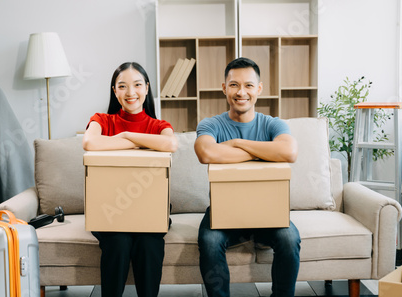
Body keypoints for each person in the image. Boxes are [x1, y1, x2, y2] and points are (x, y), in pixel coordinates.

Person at [194, 57, 300, 297]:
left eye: (249, 85)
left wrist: (237, 144)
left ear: (259, 89)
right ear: (224, 88)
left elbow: (289, 152)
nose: (241, 92)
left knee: (289, 238)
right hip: (224, 211)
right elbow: (206, 152)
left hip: (268, 211)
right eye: (234, 85)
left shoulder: (273, 124)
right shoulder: (211, 124)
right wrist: (261, 153)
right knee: (209, 242)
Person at [82, 62, 178, 297]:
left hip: (150, 210)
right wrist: (139, 141)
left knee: (148, 243)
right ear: (115, 91)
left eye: (137, 85)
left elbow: (171, 144)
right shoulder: (102, 120)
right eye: (122, 86)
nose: (130, 92)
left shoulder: (159, 126)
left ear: (146, 88)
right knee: (119, 242)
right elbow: (90, 143)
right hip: (108, 210)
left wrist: (125, 136)